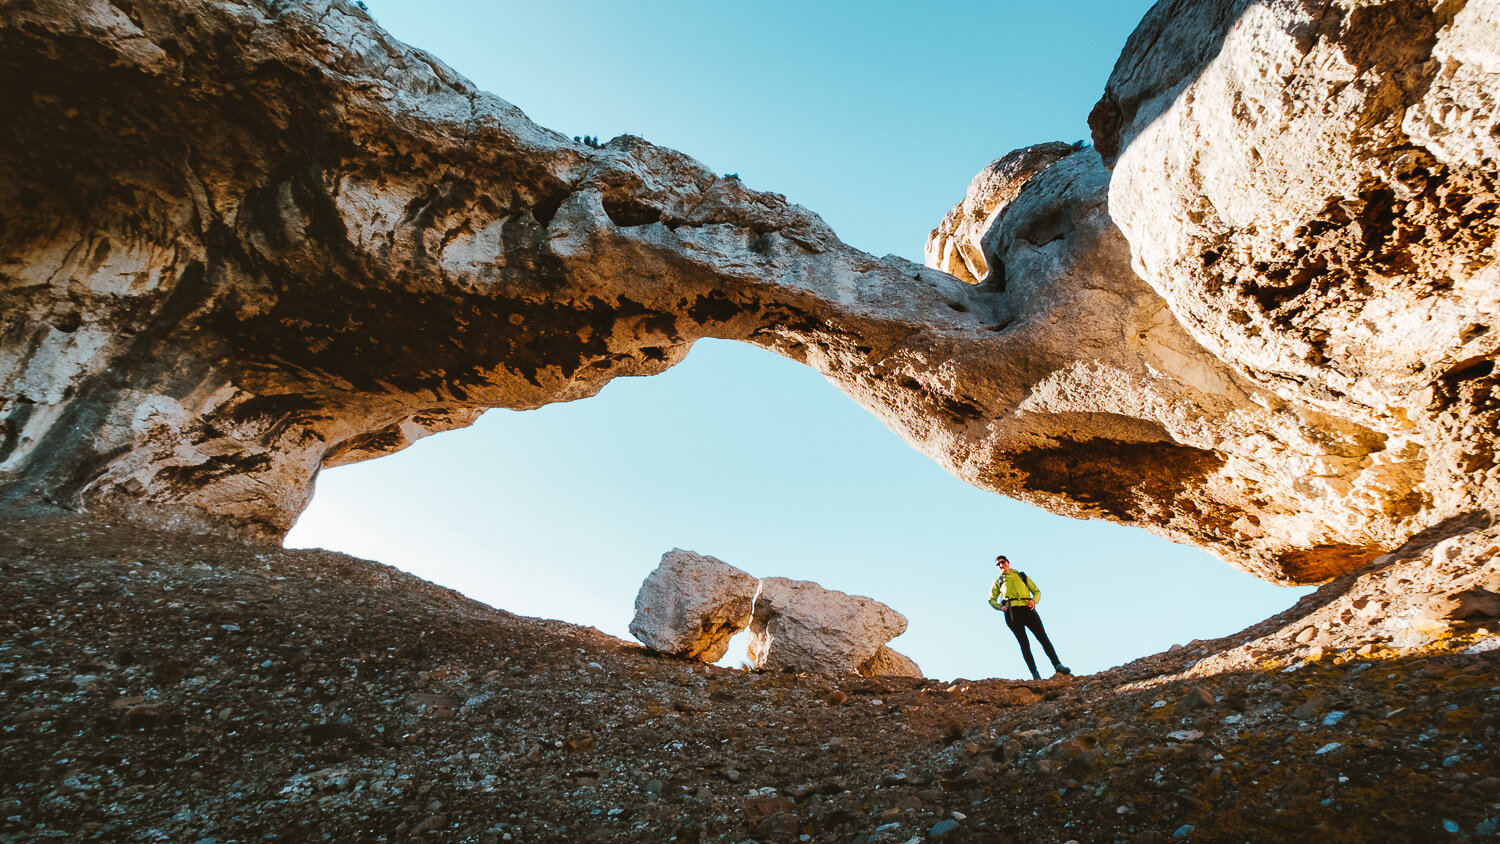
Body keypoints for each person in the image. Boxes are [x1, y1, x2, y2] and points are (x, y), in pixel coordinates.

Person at [988, 554, 1070, 680]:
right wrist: (1000, 607)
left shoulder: (1021, 576)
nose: (1001, 565)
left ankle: (1057, 665)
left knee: (1043, 637)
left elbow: (1036, 591)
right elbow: (991, 599)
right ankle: (1035, 674)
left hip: (1027, 608)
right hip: (1012, 613)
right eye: (998, 564)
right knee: (1024, 643)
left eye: (1002, 562)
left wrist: (1034, 601)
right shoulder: (998, 581)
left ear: (1008, 562)